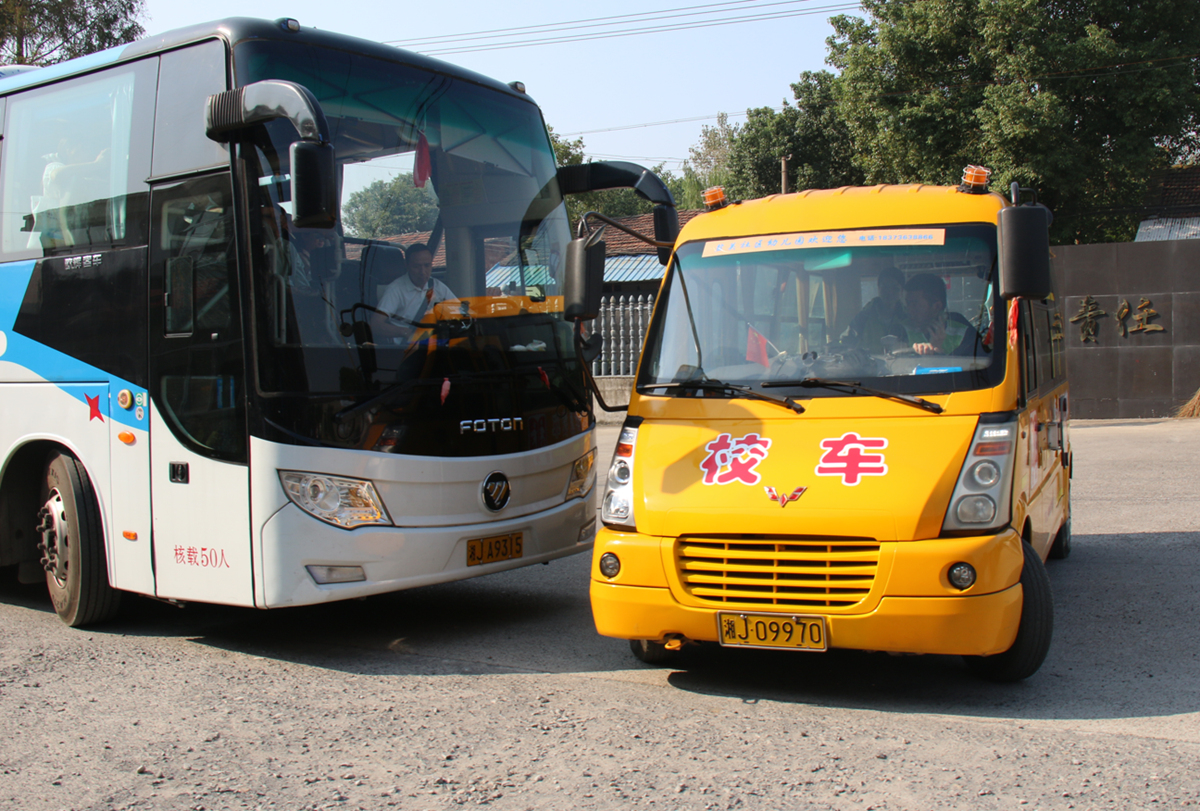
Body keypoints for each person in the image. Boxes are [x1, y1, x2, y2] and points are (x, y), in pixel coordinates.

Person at [372, 243, 457, 342]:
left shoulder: (437, 286)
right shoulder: (396, 289)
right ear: (406, 265)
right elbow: (376, 325)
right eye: (416, 266)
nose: (423, 272)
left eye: (427, 265)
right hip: (406, 346)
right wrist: (405, 332)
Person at [901, 273, 980, 355]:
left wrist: (936, 350)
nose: (909, 310)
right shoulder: (901, 330)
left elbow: (976, 361)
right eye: (908, 304)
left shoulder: (962, 332)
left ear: (937, 306)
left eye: (914, 304)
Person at [841, 266, 906, 353]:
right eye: (885, 287)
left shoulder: (908, 317)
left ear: (902, 291)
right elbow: (845, 342)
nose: (889, 292)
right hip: (869, 362)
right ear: (878, 288)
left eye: (895, 288)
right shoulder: (864, 317)